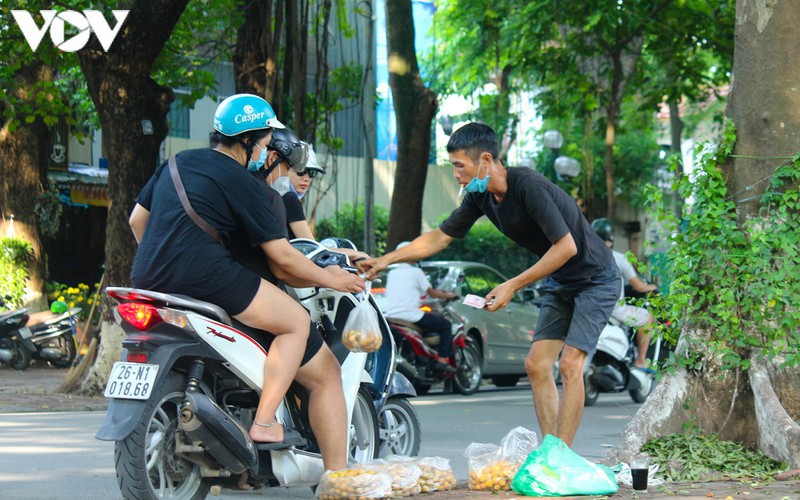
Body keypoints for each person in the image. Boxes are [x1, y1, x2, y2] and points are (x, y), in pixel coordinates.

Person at [128, 93, 364, 472]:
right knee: (296, 322)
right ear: (248, 140)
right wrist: (332, 278)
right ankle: (266, 422)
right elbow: (283, 260)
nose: (266, 152)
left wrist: (164, 261)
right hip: (208, 276)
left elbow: (137, 221)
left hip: (148, 276)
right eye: (266, 142)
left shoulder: (175, 163)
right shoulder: (244, 182)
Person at [357, 122, 619, 446]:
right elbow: (440, 237)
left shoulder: (527, 185)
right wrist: (385, 260)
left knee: (570, 363)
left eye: (459, 166)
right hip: (561, 280)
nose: (456, 174)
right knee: (536, 365)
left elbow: (566, 247)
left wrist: (513, 285)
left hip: (595, 278)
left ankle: (561, 459)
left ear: (484, 160)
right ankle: (551, 451)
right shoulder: (480, 196)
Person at [591, 218, 657, 369]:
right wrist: (651, 287)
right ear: (611, 238)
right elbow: (638, 286)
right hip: (614, 311)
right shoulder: (619, 258)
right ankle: (640, 360)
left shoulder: (584, 256)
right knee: (647, 317)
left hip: (589, 308)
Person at [383, 241, 458, 374]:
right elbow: (432, 293)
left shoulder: (392, 273)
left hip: (392, 316)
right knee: (446, 325)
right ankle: (442, 360)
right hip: (411, 316)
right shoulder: (416, 271)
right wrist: (450, 295)